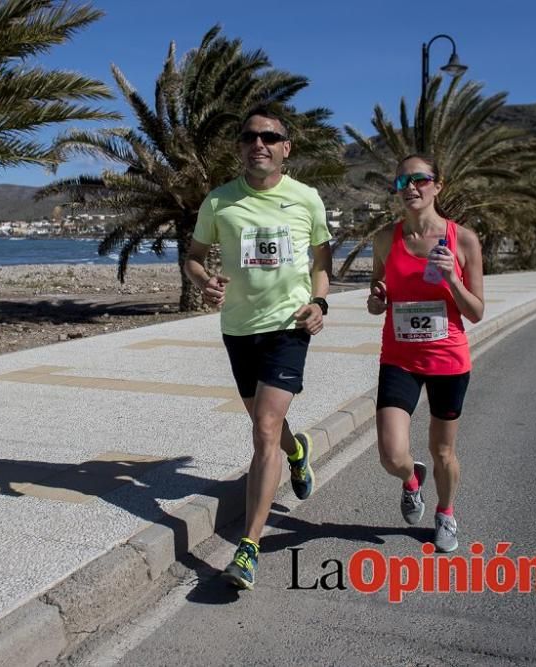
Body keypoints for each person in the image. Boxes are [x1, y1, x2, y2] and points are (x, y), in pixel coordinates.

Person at [184, 106, 332, 590]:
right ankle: (299, 451)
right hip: (238, 329)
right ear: (240, 146)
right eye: (249, 136)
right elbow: (192, 257)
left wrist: (320, 302)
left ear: (286, 148)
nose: (259, 143)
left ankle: (247, 548)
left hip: (288, 328)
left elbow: (321, 260)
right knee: (266, 426)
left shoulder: (306, 199)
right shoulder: (219, 202)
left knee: (264, 429)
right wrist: (207, 282)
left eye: (270, 136)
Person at [366, 154, 484, 553]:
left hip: (447, 360)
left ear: (438, 185)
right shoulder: (386, 238)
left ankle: (446, 512)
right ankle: (411, 480)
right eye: (402, 182)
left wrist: (452, 278)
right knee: (390, 454)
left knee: (443, 450)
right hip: (399, 357)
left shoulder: (463, 240)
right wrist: (378, 299)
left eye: (419, 180)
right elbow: (377, 291)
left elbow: (476, 311)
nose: (411, 188)